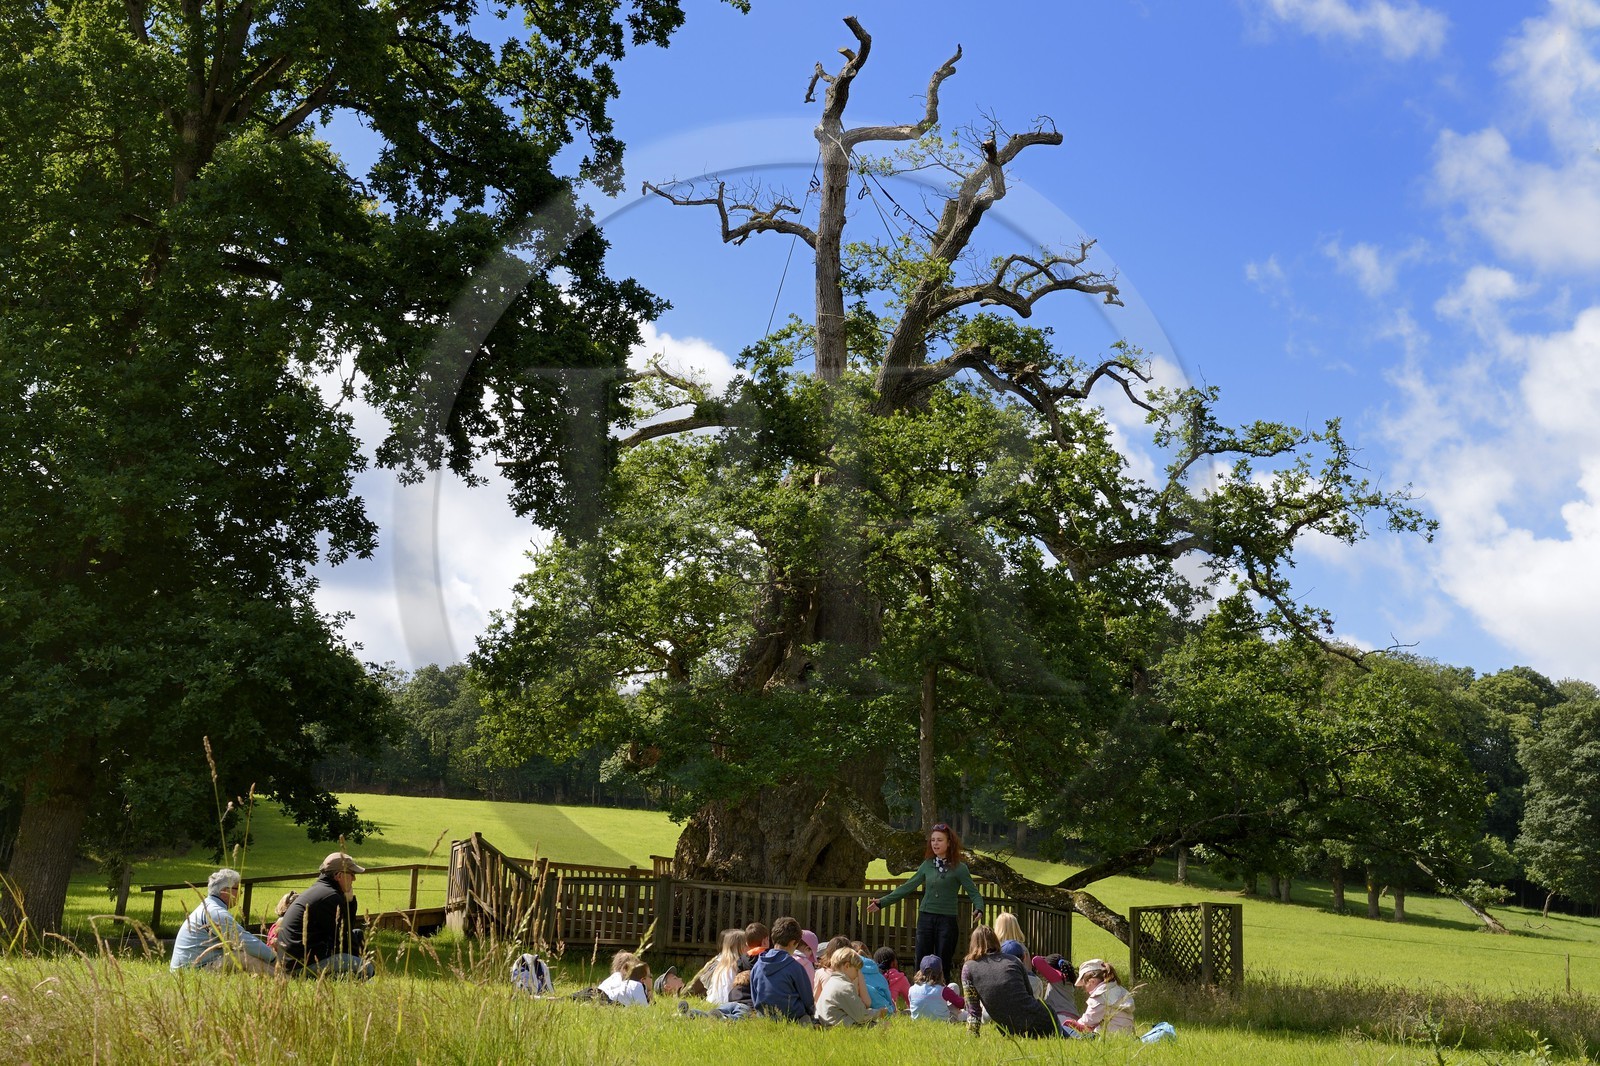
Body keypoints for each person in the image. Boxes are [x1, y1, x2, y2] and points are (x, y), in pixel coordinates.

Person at [866, 822, 983, 978]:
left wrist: (979, 907)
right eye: (933, 840)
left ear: (949, 843)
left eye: (940, 840)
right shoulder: (927, 865)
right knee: (921, 959)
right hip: (926, 918)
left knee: (943, 960)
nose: (935, 843)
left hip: (947, 920)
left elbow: (974, 892)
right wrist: (883, 902)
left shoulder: (960, 868)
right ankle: (919, 994)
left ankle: (943, 995)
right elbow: (908, 886)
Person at [276, 851, 372, 979]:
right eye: (352, 874)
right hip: (302, 967)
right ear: (338, 876)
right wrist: (349, 902)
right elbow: (344, 937)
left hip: (293, 963)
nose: (354, 878)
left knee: (357, 935)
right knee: (366, 968)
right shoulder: (330, 897)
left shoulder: (320, 891)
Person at [169, 868, 276, 974]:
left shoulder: (209, 907)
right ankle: (286, 977)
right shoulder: (215, 912)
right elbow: (245, 941)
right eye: (238, 889)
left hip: (191, 968)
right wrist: (274, 958)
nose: (241, 893)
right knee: (241, 957)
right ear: (225, 891)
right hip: (191, 972)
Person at [961, 925, 1060, 1039]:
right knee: (1065, 1037)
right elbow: (1029, 994)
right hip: (1041, 1019)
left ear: (973, 944)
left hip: (1009, 1028)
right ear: (995, 941)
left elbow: (973, 1010)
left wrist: (971, 1037)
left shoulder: (968, 968)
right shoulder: (1013, 960)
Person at [750, 916, 814, 1021]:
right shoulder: (795, 967)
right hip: (792, 1017)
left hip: (764, 1017)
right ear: (793, 943)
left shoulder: (757, 966)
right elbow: (807, 999)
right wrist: (812, 1015)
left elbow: (755, 995)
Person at [816, 948, 887, 1027]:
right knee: (885, 1026)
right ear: (847, 966)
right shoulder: (845, 987)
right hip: (839, 1026)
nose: (857, 975)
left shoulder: (831, 982)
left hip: (828, 1023)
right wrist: (878, 1013)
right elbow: (861, 1016)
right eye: (856, 970)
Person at [1072, 958, 1135, 1035]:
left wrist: (1075, 1024)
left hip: (1110, 1035)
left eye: (1084, 985)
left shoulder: (1099, 995)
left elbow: (1089, 1020)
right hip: (1128, 1033)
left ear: (1092, 981)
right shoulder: (1120, 989)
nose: (1084, 989)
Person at [906, 955, 966, 1022]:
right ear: (940, 973)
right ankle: (962, 1014)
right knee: (954, 987)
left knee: (952, 987)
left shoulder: (912, 989)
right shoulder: (943, 990)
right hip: (943, 1021)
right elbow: (961, 1004)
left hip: (917, 1020)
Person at [1032, 953, 1080, 1025]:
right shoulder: (1068, 979)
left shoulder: (1057, 977)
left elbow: (1036, 960)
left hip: (1060, 1017)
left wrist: (1044, 958)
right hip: (1074, 1017)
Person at [704, 929, 747, 1005]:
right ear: (740, 947)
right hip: (730, 1003)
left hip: (712, 1001)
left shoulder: (719, 965)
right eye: (746, 944)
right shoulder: (738, 965)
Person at [853, 940, 895, 1014]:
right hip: (886, 1010)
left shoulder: (852, 971)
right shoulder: (878, 973)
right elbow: (888, 995)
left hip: (862, 1010)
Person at [873, 946, 911, 1011]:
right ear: (893, 963)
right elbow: (910, 1000)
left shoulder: (873, 975)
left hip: (871, 1009)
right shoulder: (900, 978)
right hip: (889, 1011)